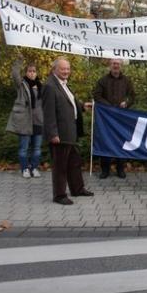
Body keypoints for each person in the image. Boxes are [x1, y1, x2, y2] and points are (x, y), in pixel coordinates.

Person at [42, 57, 94, 205]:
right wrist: (53, 133)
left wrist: (83, 106)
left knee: (74, 162)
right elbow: (48, 112)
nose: (66, 71)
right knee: (60, 166)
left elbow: (70, 102)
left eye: (68, 69)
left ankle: (77, 189)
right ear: (54, 69)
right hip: (60, 134)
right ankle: (59, 195)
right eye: (62, 69)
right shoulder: (50, 86)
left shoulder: (63, 84)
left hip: (70, 131)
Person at [92, 58, 136, 179]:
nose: (116, 66)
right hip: (106, 118)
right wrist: (108, 106)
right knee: (105, 142)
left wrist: (126, 103)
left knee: (121, 142)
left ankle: (120, 169)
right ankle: (105, 169)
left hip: (121, 118)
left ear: (121, 66)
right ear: (110, 65)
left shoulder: (127, 80)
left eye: (118, 64)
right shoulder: (102, 80)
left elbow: (132, 96)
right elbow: (96, 95)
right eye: (113, 64)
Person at [6, 58, 44, 178]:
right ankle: (24, 169)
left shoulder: (41, 86)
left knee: (37, 148)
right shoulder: (22, 85)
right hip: (25, 122)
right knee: (24, 148)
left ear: (36, 73)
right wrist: (19, 62)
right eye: (29, 71)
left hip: (38, 121)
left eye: (34, 71)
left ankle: (34, 167)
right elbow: (15, 74)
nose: (32, 73)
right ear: (26, 72)